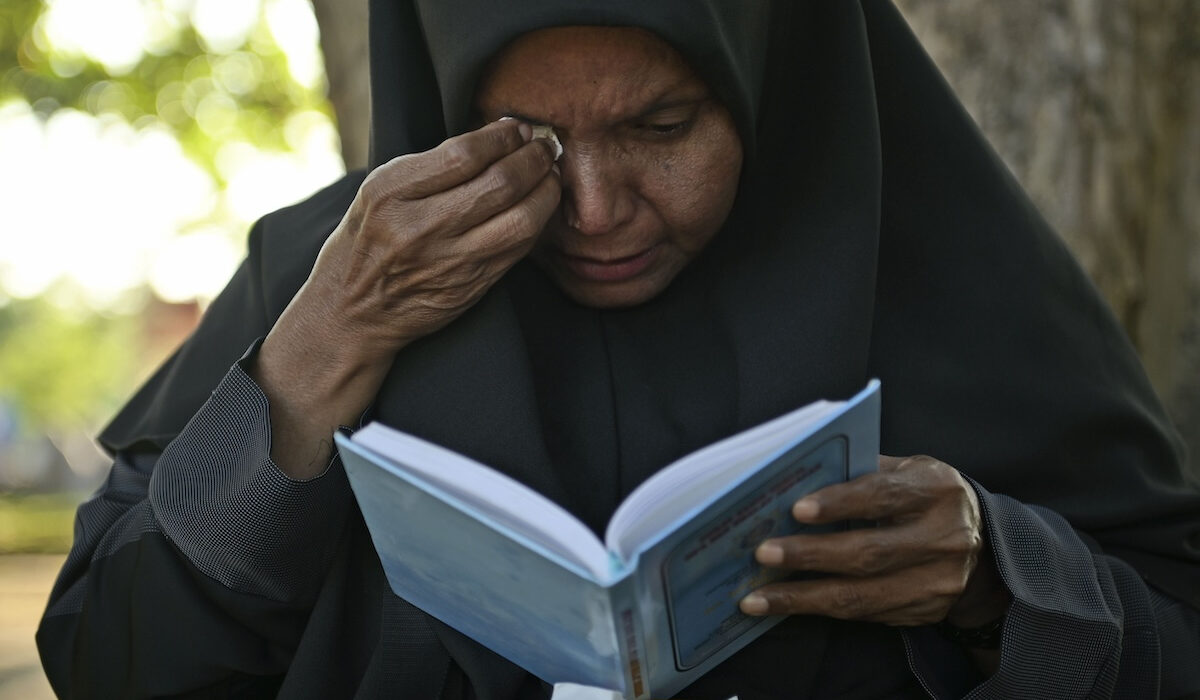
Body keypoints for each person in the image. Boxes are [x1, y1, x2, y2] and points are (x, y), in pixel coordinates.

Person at [38, 1, 1200, 698]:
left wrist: (1001, 580)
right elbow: (112, 663)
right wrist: (312, 359)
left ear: (770, 79)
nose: (593, 210)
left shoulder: (957, 280)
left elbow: (1175, 633)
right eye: (527, 140)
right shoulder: (335, 276)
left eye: (661, 127)